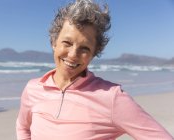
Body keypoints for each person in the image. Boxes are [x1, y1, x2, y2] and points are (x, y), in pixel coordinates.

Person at [16, 0, 174, 139]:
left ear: (94, 52)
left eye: (84, 48)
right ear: (53, 41)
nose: (73, 55)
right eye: (67, 42)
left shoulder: (112, 98)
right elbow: (23, 127)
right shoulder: (33, 89)